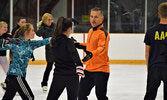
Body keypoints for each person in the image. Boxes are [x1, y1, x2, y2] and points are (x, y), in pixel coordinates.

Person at [0, 23, 51, 100]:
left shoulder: (31, 44)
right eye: (32, 31)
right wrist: (7, 41)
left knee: (8, 97)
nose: (34, 32)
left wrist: (59, 37)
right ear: (26, 33)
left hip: (19, 75)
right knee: (29, 97)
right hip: (16, 74)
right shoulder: (16, 42)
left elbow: (45, 41)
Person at [73, 7, 110, 100]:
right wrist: (78, 44)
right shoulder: (90, 31)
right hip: (89, 69)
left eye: (96, 17)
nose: (93, 19)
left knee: (101, 96)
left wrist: (91, 54)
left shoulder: (103, 33)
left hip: (101, 70)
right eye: (91, 16)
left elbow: (102, 48)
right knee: (80, 94)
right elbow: (89, 46)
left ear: (102, 18)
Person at [46, 17, 84, 100]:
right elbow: (75, 55)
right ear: (69, 29)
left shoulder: (53, 40)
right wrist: (80, 66)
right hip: (71, 76)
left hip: (58, 75)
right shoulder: (68, 41)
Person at [144, 2, 167, 100]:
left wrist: (148, 69)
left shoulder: (150, 31)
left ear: (158, 14)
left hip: (154, 67)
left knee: (150, 95)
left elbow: (147, 53)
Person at [36, 13, 55, 91]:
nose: (50, 21)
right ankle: (44, 83)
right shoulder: (42, 28)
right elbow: (38, 34)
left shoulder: (54, 25)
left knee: (61, 66)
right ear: (44, 20)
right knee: (49, 67)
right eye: (48, 20)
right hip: (49, 50)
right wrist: (43, 28)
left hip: (58, 49)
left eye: (51, 19)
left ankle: (60, 83)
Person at [0, 21, 12, 90]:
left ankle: (9, 86)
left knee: (9, 72)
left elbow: (14, 39)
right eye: (4, 27)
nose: (6, 29)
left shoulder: (7, 36)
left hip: (3, 57)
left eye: (7, 27)